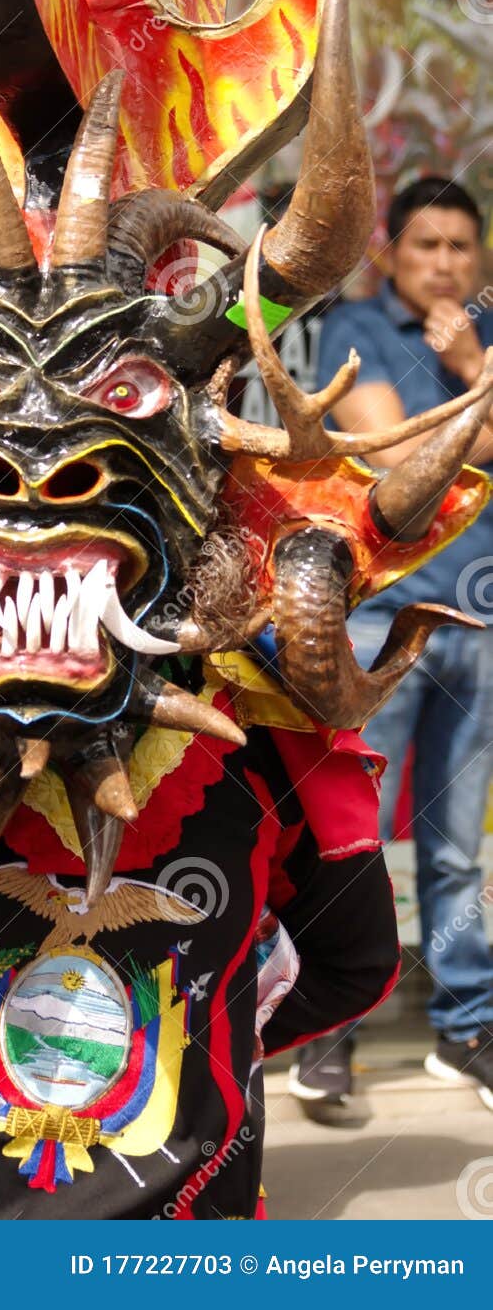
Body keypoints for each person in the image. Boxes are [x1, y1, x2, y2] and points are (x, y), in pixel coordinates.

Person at [289, 176, 493, 1116]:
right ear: (393, 256)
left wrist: (468, 380)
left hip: (480, 626)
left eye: (461, 247)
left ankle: (465, 1030)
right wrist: (472, 391)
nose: (445, 264)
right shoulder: (357, 331)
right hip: (384, 623)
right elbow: (391, 454)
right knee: (354, 836)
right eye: (427, 247)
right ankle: (327, 1040)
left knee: (455, 851)